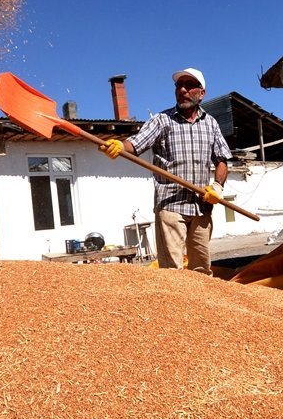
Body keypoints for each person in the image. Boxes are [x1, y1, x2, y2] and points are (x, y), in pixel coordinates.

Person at [99, 67, 232, 274]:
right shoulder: (162, 120)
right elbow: (135, 144)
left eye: (189, 85)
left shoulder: (211, 124)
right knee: (172, 272)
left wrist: (217, 186)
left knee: (202, 270)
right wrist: (119, 145)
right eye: (179, 85)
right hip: (170, 206)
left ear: (202, 92)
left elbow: (223, 160)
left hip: (201, 205)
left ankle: (199, 306)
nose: (183, 90)